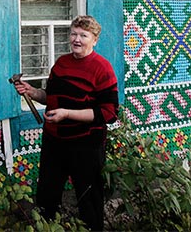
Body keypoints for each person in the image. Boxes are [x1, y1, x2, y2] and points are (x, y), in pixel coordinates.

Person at [14, 15, 119, 231]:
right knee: (46, 196)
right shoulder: (61, 64)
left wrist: (67, 114)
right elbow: (49, 97)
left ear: (95, 40)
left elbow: (108, 113)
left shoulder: (102, 68)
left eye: (83, 35)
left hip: (86, 145)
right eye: (73, 34)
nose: (76, 39)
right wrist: (32, 92)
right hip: (55, 141)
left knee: (88, 198)